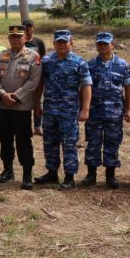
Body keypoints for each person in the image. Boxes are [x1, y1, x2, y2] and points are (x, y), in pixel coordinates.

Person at [33, 30, 92, 190]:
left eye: (65, 42)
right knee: (49, 142)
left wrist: (85, 109)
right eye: (58, 42)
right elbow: (40, 84)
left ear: (71, 43)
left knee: (69, 144)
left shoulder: (79, 62)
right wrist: (37, 104)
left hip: (69, 111)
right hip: (50, 110)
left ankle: (69, 176)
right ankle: (52, 173)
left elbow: (86, 86)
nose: (61, 45)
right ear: (53, 44)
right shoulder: (46, 61)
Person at [0, 25, 42, 190]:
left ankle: (27, 174)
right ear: (8, 38)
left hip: (21, 108)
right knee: (4, 139)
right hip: (3, 106)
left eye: (18, 36)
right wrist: (3, 95)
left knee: (23, 141)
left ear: (25, 38)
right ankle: (8, 170)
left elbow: (33, 82)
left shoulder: (33, 57)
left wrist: (16, 96)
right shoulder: (1, 56)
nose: (15, 39)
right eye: (12, 36)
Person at [82, 32, 130, 189]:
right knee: (93, 143)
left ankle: (110, 176)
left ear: (113, 45)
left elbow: (129, 87)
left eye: (106, 43)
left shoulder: (122, 65)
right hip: (94, 112)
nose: (102, 46)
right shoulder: (89, 65)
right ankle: (91, 175)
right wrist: (83, 109)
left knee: (112, 143)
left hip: (115, 113)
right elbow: (84, 88)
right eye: (100, 44)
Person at [23, 19, 46, 136]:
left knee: (38, 101)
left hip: (37, 75)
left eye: (29, 26)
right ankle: (25, 126)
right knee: (25, 102)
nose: (27, 29)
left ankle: (38, 126)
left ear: (33, 28)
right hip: (23, 76)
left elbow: (43, 58)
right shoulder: (20, 41)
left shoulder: (39, 42)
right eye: (25, 27)